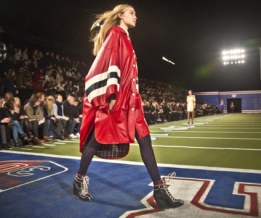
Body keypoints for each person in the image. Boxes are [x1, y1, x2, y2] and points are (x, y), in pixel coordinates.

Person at [73, 4, 184, 210]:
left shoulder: (125, 37)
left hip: (132, 101)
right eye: (131, 12)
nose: (136, 16)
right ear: (121, 15)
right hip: (117, 99)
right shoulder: (116, 33)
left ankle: (159, 190)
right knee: (96, 140)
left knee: (145, 140)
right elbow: (110, 63)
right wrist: (112, 93)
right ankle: (79, 180)